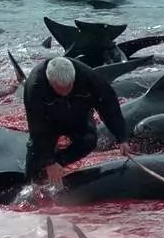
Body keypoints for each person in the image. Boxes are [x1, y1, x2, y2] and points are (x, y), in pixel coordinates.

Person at [24, 56, 130, 186]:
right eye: (60, 89)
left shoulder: (88, 76)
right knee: (37, 154)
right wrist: (48, 161)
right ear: (50, 82)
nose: (65, 93)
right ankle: (31, 181)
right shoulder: (34, 86)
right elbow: (37, 128)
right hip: (49, 122)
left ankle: (55, 167)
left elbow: (109, 104)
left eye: (69, 87)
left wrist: (121, 136)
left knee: (89, 141)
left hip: (78, 116)